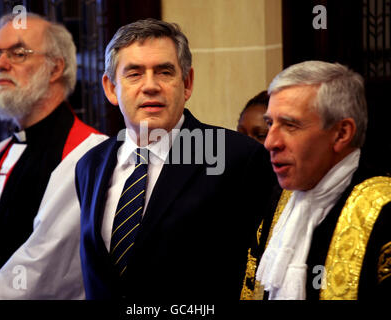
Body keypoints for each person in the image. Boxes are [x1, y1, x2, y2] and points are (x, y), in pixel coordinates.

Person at [75, 18, 276, 302]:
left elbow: (260, 275)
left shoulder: (237, 159)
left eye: (164, 72)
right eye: (134, 74)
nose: (150, 86)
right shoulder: (90, 165)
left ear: (187, 83)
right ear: (110, 88)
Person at [0, 13, 107, 299]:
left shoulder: (89, 155)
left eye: (18, 53)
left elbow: (42, 266)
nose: (0, 64)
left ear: (55, 68)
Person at [241, 61, 391, 300]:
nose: (270, 142)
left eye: (290, 125)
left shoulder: (384, 211)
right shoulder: (282, 199)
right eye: (270, 124)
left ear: (341, 133)